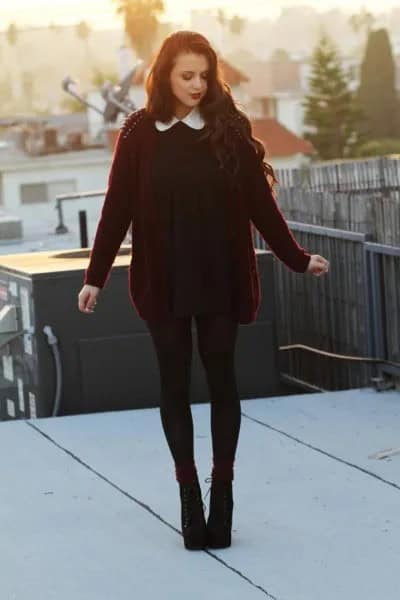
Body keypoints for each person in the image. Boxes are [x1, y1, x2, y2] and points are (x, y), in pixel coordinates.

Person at [78, 30, 329, 551]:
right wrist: (94, 276)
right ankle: (189, 494)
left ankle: (224, 494)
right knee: (174, 386)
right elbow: (116, 209)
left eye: (203, 75)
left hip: (221, 275)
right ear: (165, 76)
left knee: (221, 383)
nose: (197, 85)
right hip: (163, 280)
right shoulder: (139, 133)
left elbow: (262, 206)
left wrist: (298, 259)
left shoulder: (229, 129)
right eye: (186, 75)